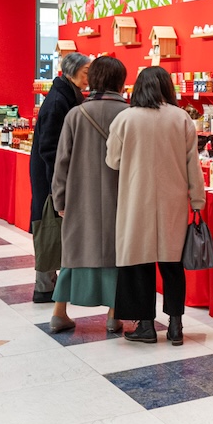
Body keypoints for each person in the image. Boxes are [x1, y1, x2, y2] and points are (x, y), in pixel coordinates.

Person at [107, 66, 205, 345]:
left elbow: (112, 161)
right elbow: (193, 165)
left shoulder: (125, 119)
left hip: (136, 199)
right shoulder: (181, 118)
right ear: (167, 87)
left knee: (139, 262)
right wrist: (197, 200)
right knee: (172, 263)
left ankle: (145, 325)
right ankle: (175, 326)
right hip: (172, 201)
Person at [49, 57, 129, 334]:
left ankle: (59, 312)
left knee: (74, 254)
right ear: (120, 82)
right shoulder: (129, 114)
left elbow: (62, 161)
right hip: (119, 196)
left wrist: (59, 199)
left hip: (79, 197)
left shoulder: (76, 114)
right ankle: (113, 315)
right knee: (116, 255)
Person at [29, 52, 91, 303]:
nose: (89, 77)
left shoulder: (67, 95)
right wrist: (58, 188)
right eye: (86, 72)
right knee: (48, 230)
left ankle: (52, 286)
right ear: (72, 71)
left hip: (55, 178)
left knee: (54, 231)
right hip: (50, 179)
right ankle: (44, 287)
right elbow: (50, 149)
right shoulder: (58, 101)